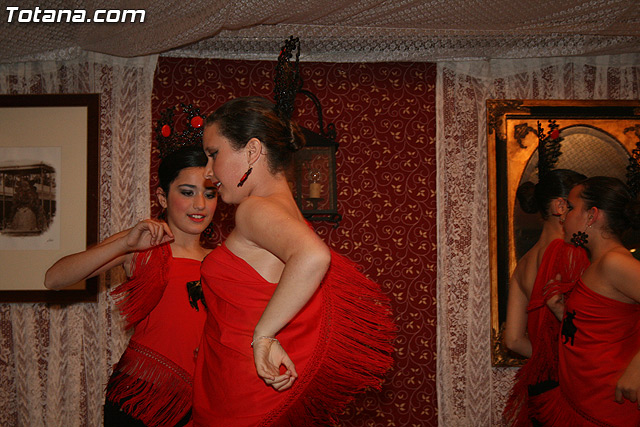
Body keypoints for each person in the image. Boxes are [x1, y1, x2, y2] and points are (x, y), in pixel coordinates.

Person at [192, 96, 395, 426]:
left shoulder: (254, 209)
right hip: (250, 387)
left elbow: (314, 256)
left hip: (243, 395)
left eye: (213, 154)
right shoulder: (289, 212)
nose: (207, 171)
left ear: (252, 151)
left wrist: (263, 336)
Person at [44, 145, 218, 427]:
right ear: (162, 197)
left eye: (209, 194)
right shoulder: (143, 245)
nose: (200, 204)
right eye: (187, 192)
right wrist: (125, 244)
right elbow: (54, 279)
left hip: (199, 402)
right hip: (139, 399)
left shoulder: (221, 260)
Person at [530, 176, 640, 426]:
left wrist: (638, 368)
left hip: (608, 409)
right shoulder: (597, 264)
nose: (563, 215)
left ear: (592, 215)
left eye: (570, 207)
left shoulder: (615, 262)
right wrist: (563, 313)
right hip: (583, 403)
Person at [503, 169, 589, 426]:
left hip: (541, 387)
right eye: (583, 205)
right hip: (570, 387)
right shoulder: (571, 253)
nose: (589, 214)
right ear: (560, 207)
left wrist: (546, 360)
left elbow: (513, 340)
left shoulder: (523, 264)